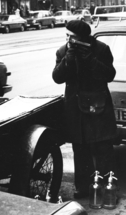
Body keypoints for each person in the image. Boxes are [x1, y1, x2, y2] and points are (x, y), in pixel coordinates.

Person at [52, 20, 117, 199]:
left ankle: (106, 185)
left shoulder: (101, 49)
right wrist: (69, 59)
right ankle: (83, 187)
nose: (68, 39)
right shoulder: (63, 51)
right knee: (79, 149)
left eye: (71, 36)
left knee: (103, 148)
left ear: (83, 37)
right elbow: (57, 78)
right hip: (76, 108)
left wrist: (90, 60)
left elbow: (110, 75)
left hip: (98, 105)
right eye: (66, 35)